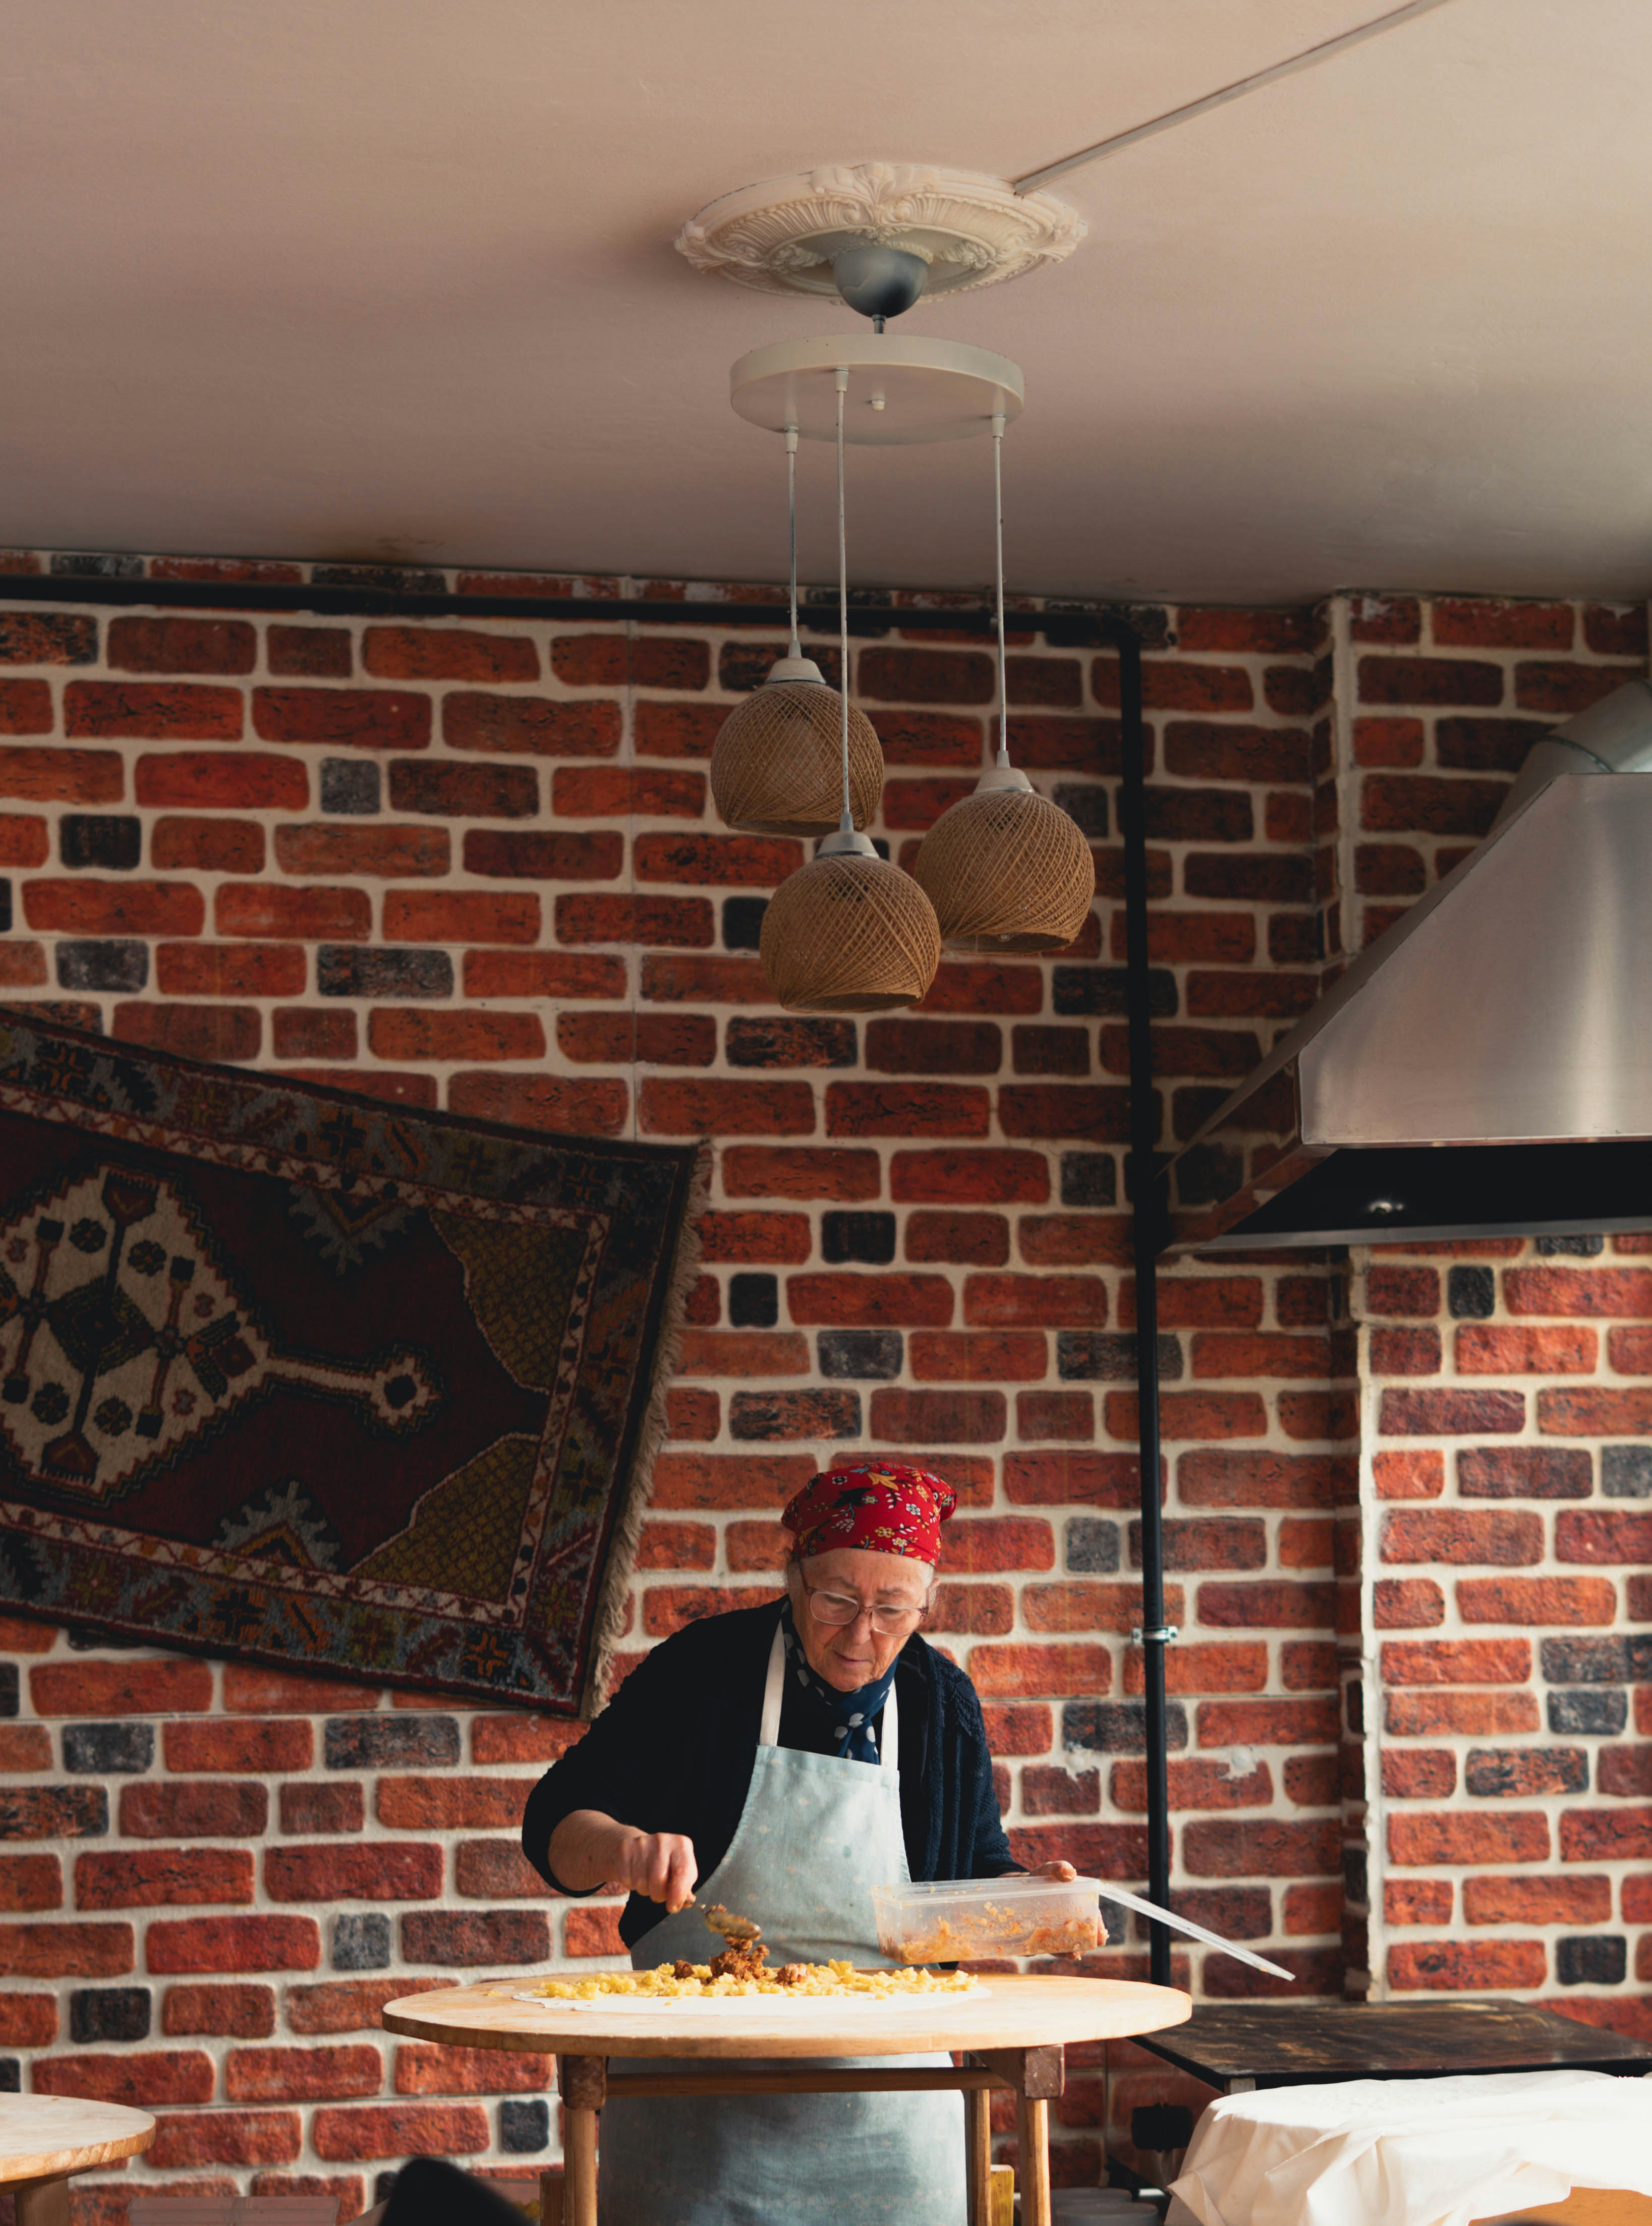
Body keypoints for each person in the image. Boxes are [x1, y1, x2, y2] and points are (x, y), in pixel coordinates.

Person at [521, 1460, 1078, 2226]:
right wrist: (622, 1847)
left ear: (926, 1603)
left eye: (892, 1608)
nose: (860, 1633)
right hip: (697, 2127)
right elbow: (554, 1817)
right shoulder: (702, 1672)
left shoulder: (941, 1701)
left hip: (890, 2129)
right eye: (837, 1598)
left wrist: (1028, 1897)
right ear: (793, 1574)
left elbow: (975, 1870)